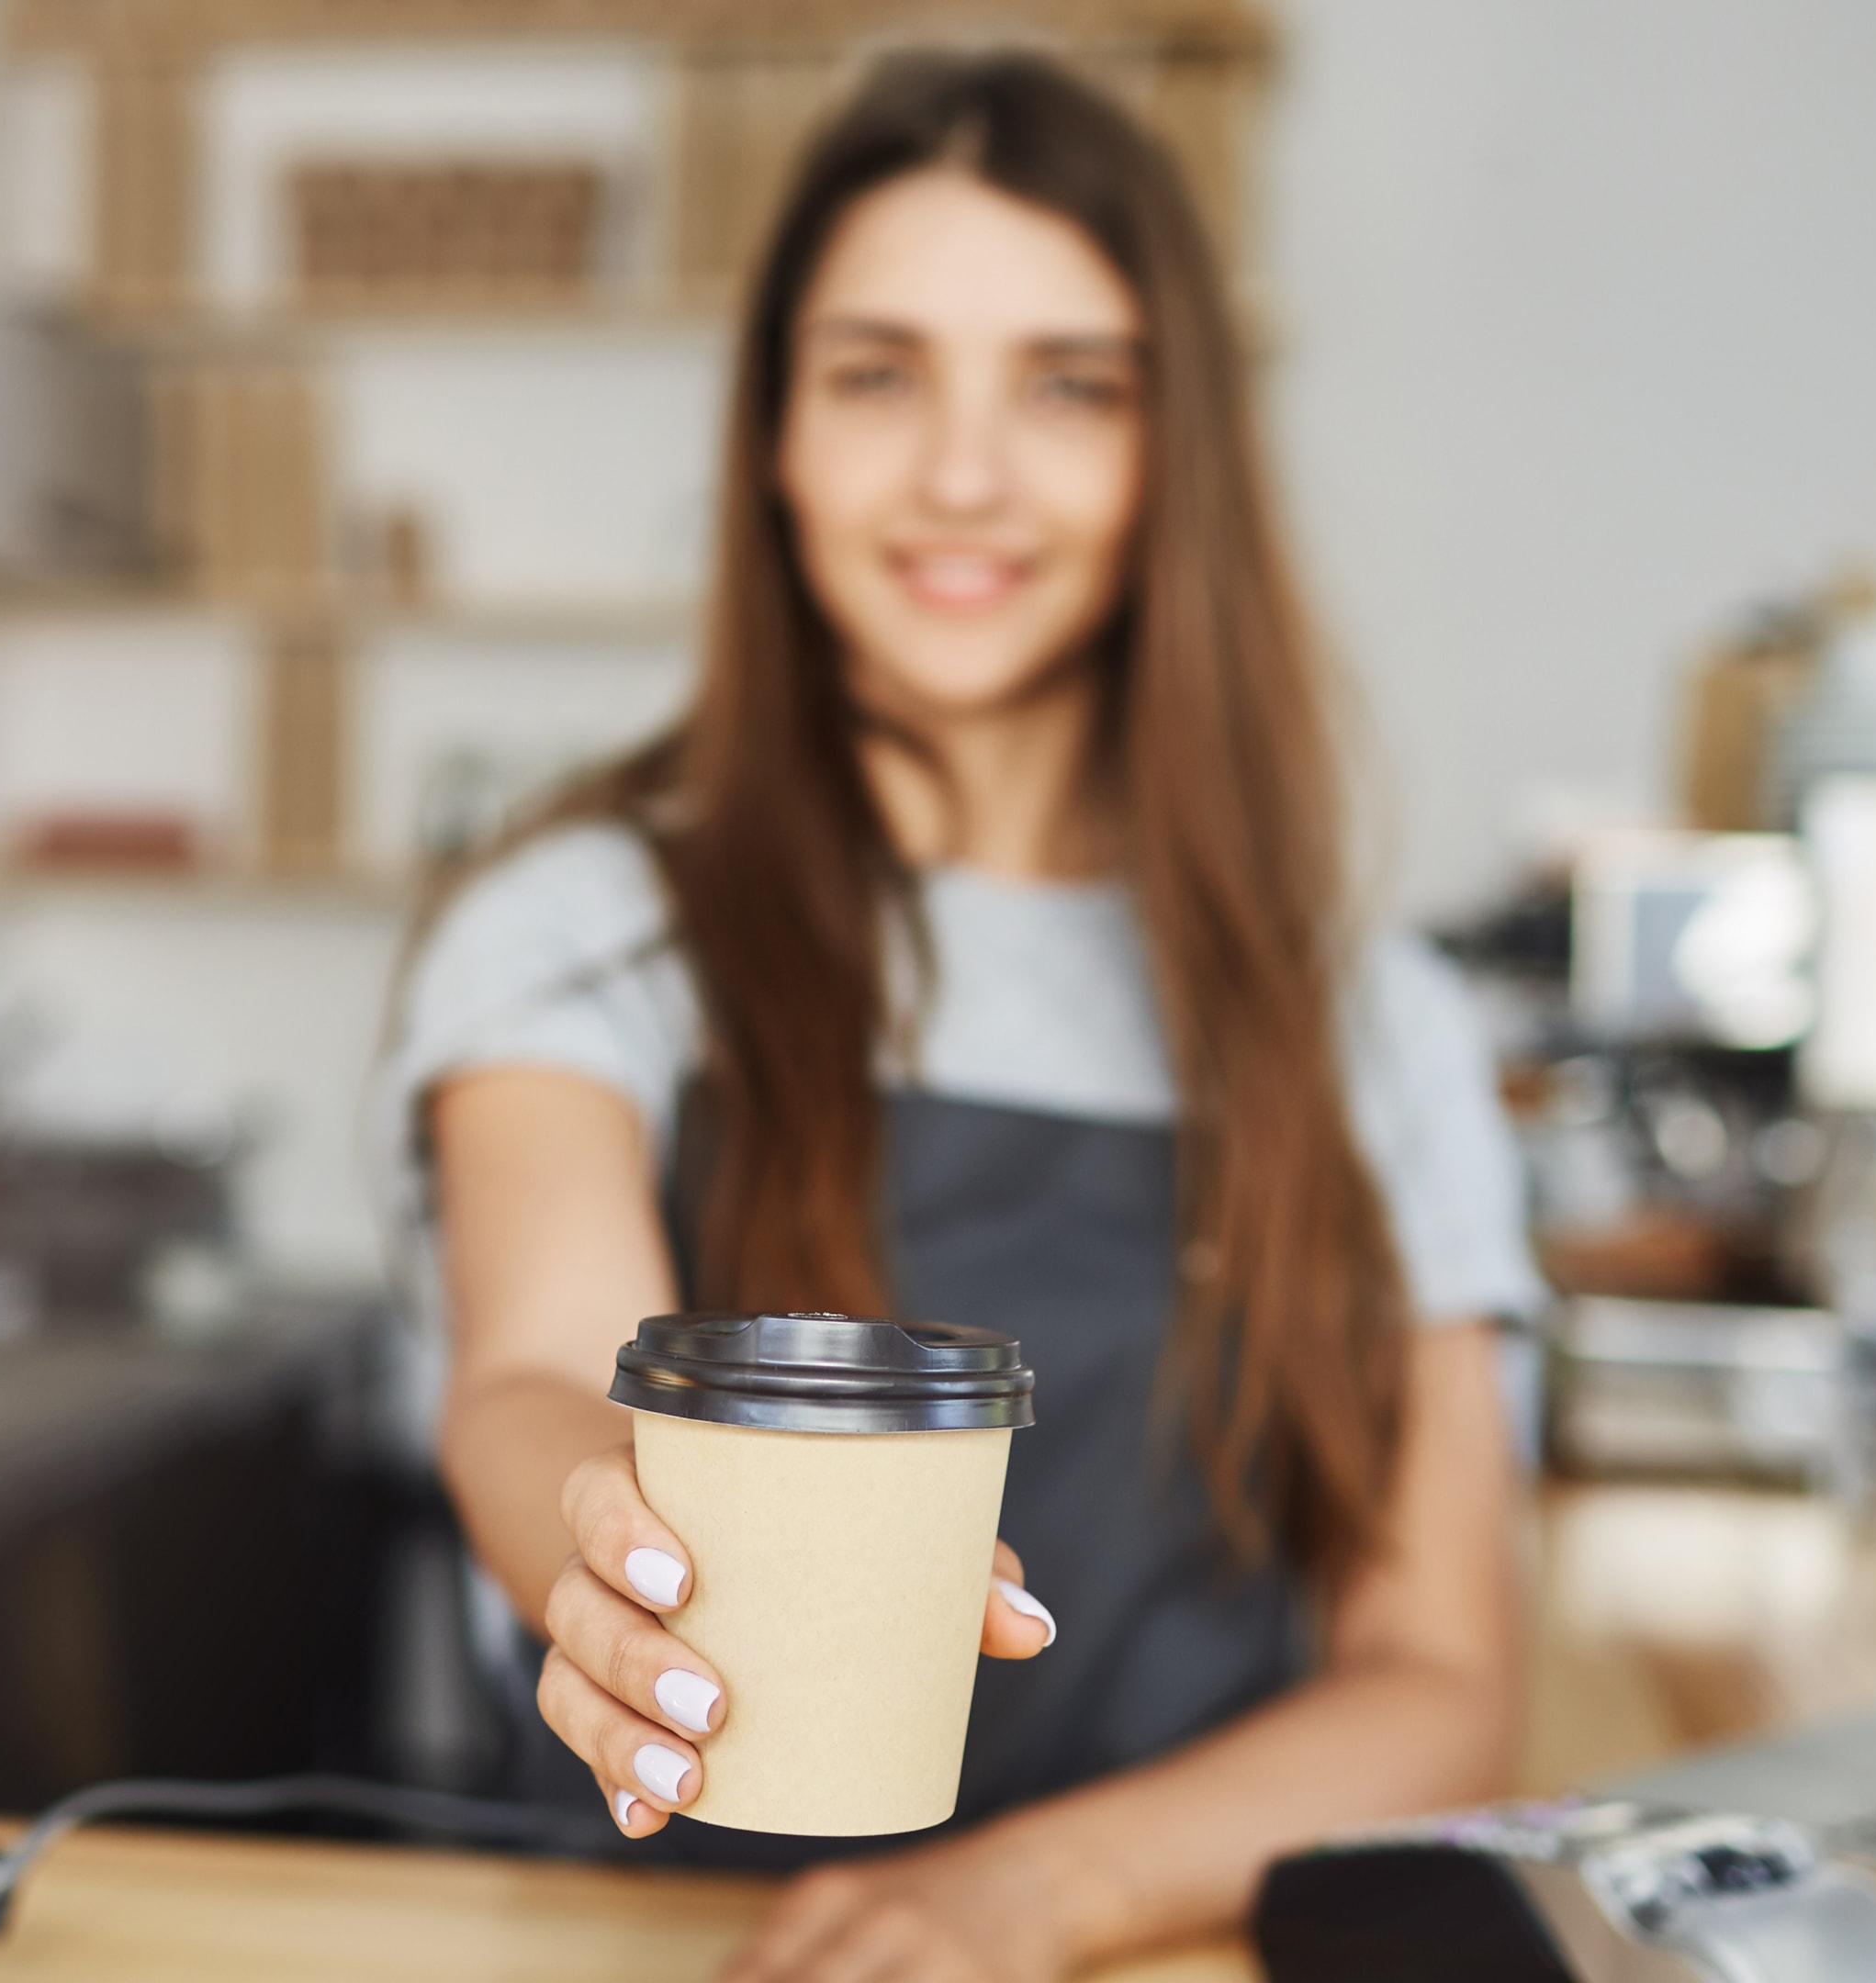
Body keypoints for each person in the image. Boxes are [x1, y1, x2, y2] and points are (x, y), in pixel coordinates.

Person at [373, 50, 1540, 1982]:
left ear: (1177, 450)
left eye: (1069, 385)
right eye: (878, 373)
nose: (966, 476)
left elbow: (1440, 1684)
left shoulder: (1370, 1028)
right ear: (773, 439)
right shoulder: (584, 928)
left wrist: (1024, 1899)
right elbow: (531, 1373)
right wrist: (611, 1546)